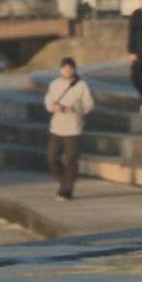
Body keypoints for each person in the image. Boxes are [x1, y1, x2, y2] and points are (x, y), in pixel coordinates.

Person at [44, 57, 95, 201]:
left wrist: (75, 108)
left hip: (73, 128)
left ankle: (66, 189)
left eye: (70, 68)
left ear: (74, 69)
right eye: (64, 68)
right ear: (61, 69)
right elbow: (48, 100)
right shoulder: (55, 84)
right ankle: (65, 182)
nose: (67, 71)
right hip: (57, 127)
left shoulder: (82, 85)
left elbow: (89, 105)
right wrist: (53, 107)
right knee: (52, 158)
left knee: (71, 159)